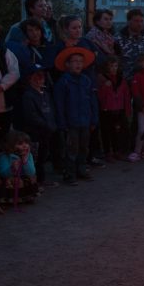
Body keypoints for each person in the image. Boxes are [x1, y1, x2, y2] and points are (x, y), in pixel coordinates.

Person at [52, 46, 98, 185]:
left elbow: (92, 101)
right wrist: (62, 123)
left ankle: (81, 169)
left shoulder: (86, 80)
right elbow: (59, 105)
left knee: (84, 147)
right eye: (74, 61)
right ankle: (69, 174)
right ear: (67, 64)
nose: (78, 64)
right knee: (71, 149)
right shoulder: (63, 82)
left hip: (85, 120)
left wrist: (94, 118)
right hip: (70, 122)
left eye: (80, 61)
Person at [18, 64, 57, 188]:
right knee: (34, 159)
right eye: (37, 76)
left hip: (46, 132)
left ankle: (41, 180)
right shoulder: (28, 96)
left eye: (42, 76)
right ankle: (34, 183)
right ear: (30, 78)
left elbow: (51, 111)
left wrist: (52, 124)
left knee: (43, 157)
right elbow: (31, 116)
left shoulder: (45, 93)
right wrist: (46, 125)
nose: (41, 79)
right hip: (35, 133)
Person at [96, 56, 130, 162]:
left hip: (119, 109)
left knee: (117, 131)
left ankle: (117, 151)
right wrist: (104, 87)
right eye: (111, 66)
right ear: (106, 67)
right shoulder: (102, 78)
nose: (114, 68)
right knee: (106, 132)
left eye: (116, 66)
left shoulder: (121, 79)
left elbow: (126, 95)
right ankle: (108, 152)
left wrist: (127, 109)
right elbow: (99, 96)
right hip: (106, 109)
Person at [0, 130, 39, 205]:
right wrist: (12, 168)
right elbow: (2, 173)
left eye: (26, 143)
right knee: (10, 180)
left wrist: (25, 162)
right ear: (11, 145)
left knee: (30, 178)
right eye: (20, 144)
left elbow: (31, 172)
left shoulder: (28, 155)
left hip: (22, 178)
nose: (25, 146)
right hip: (10, 179)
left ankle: (26, 196)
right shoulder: (5, 156)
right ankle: (8, 198)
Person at [116, 9, 144, 79]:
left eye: (142, 21)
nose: (139, 24)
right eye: (136, 21)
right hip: (126, 79)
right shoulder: (118, 39)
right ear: (128, 22)